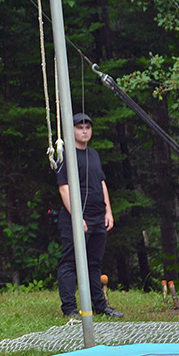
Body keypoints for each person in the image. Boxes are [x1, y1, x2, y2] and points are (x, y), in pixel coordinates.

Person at [55, 113, 123, 318]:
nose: (84, 131)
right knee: (70, 262)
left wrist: (108, 211)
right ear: (72, 130)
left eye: (87, 127)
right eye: (79, 127)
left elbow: (101, 183)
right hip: (75, 219)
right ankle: (69, 308)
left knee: (94, 262)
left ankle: (99, 305)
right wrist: (78, 218)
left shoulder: (93, 154)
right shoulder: (66, 155)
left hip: (98, 217)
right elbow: (64, 188)